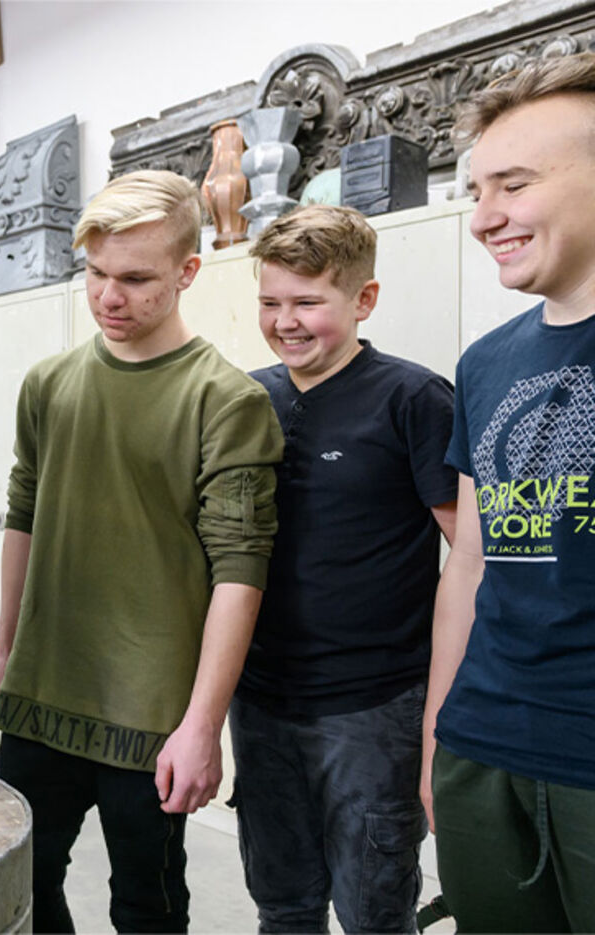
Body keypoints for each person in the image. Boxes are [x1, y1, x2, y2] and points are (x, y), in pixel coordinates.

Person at [0, 169, 283, 933]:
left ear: (187, 272)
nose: (110, 297)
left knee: (147, 903)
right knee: (15, 885)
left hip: (151, 715)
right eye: (96, 273)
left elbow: (240, 571)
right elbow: (25, 517)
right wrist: (4, 648)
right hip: (43, 694)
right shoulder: (49, 384)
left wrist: (202, 724)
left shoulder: (228, 400)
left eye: (136, 278)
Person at [229, 205, 458, 933]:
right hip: (261, 701)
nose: (285, 321)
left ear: (364, 300)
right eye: (270, 302)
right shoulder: (245, 398)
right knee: (284, 904)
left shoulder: (414, 399)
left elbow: (471, 556)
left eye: (307, 302)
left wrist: (440, 719)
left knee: (375, 912)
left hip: (375, 708)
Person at [423, 52, 595, 931]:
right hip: (482, 746)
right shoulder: (485, 363)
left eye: (514, 185)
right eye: (476, 189)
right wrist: (436, 734)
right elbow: (470, 568)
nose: (484, 218)